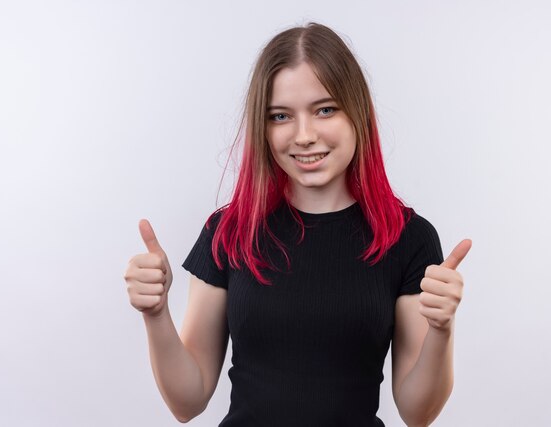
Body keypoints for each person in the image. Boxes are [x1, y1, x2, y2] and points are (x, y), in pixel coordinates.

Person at [123, 22, 471, 426]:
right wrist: (156, 313)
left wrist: (442, 330)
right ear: (263, 127)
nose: (304, 135)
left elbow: (417, 413)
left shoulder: (407, 238)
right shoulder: (230, 232)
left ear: (356, 112)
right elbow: (188, 400)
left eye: (325, 109)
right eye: (281, 116)